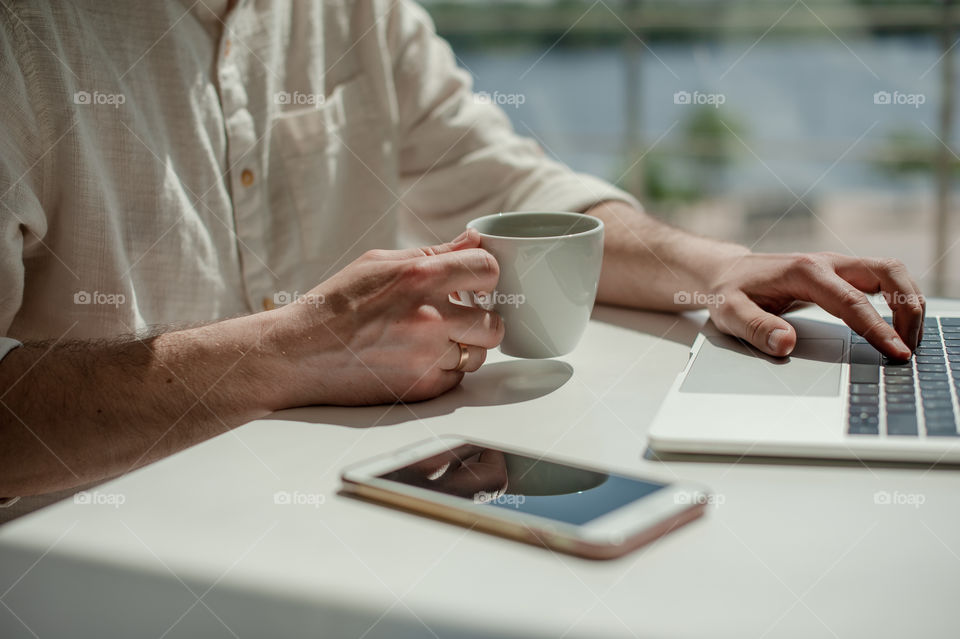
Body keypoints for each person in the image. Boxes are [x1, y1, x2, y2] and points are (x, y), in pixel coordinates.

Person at [0, 1, 924, 518]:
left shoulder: (359, 14)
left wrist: (712, 267)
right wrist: (292, 349)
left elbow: (521, 190)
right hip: (76, 560)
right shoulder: (25, 36)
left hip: (341, 523)